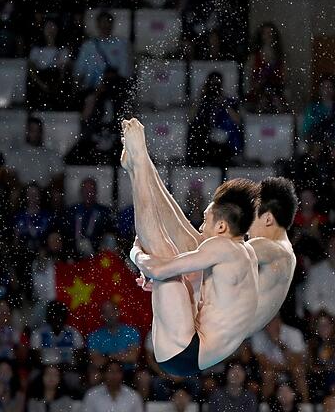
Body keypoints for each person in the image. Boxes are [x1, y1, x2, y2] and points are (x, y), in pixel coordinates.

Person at [124, 118, 259, 376]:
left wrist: (135, 253)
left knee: (163, 253)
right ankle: (142, 167)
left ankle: (139, 166)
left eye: (206, 220)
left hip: (184, 350)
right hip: (195, 348)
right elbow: (205, 292)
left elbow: (161, 268)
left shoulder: (223, 249)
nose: (200, 226)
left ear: (221, 227)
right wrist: (165, 281)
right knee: (184, 252)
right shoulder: (244, 252)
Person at [244, 176, 298, 336]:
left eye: (251, 218)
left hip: (207, 336)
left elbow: (211, 253)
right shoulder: (287, 254)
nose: (246, 229)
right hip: (222, 339)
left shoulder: (272, 249)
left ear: (268, 218)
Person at [186, 71, 244, 167]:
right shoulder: (202, 102)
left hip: (224, 145)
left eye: (216, 84)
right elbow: (190, 119)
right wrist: (200, 97)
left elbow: (237, 121)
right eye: (211, 84)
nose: (214, 88)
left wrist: (224, 104)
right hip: (205, 144)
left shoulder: (229, 102)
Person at [251, 315, 310, 401]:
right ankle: (265, 406)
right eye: (267, 322)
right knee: (268, 374)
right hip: (272, 370)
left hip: (290, 369)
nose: (270, 325)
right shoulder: (258, 335)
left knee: (299, 371)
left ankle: (306, 405)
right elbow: (263, 362)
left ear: (279, 321)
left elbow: (297, 361)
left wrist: (279, 343)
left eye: (272, 321)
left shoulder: (294, 333)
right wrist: (281, 368)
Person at [301, 74, 335, 155]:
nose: (327, 90)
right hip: (317, 143)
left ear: (334, 90)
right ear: (319, 90)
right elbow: (306, 130)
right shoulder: (312, 108)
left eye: (330, 87)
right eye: (324, 87)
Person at [4, 116, 64, 186]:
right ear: (27, 132)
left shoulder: (52, 155)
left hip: (44, 193)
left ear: (42, 132)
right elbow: (9, 175)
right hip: (22, 193)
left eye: (38, 131)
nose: (35, 134)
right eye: (32, 130)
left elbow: (58, 177)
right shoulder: (15, 154)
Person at [87, 301, 140, 371]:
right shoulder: (94, 336)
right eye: (106, 312)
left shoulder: (131, 332)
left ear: (118, 312)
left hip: (128, 372)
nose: (109, 315)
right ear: (102, 316)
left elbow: (133, 357)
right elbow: (96, 362)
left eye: (112, 311)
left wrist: (109, 356)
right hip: (104, 373)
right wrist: (120, 357)